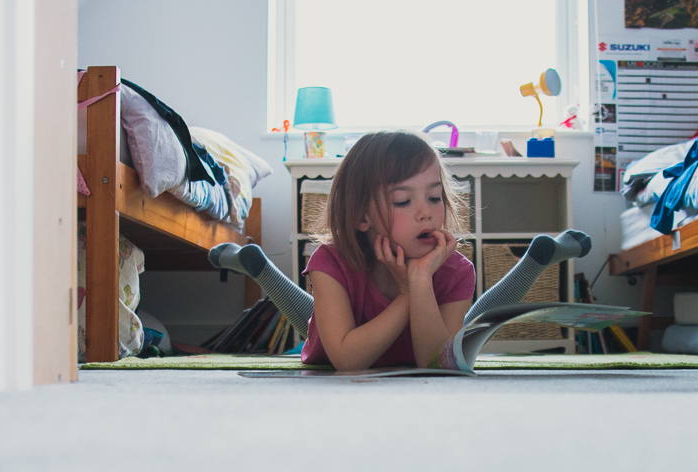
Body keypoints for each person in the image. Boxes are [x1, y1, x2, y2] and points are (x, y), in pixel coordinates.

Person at [209, 131, 591, 370]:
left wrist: (420, 279)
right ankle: (259, 267)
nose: (427, 211)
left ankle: (534, 260)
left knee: (475, 327)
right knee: (313, 323)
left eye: (435, 197)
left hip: (420, 315)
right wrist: (407, 294)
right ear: (361, 216)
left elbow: (437, 363)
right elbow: (345, 360)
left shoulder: (454, 269)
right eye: (403, 201)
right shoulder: (331, 259)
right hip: (340, 340)